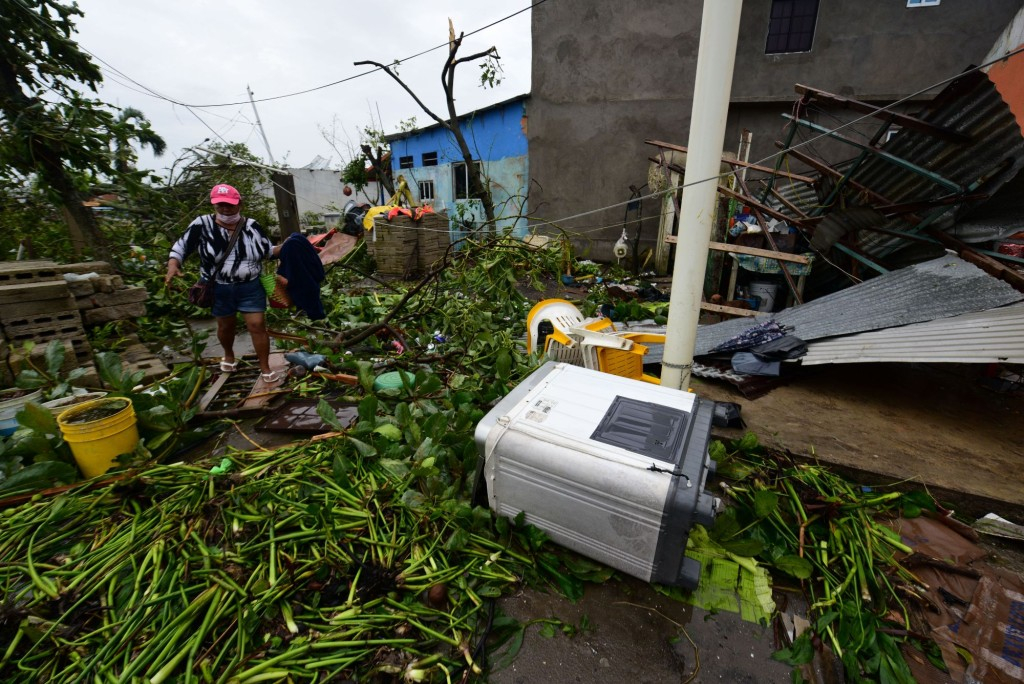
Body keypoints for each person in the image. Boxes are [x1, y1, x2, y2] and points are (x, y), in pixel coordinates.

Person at [165, 183, 282, 382]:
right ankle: (229, 354)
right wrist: (173, 265)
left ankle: (264, 367)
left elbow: (267, 251)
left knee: (257, 325)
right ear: (214, 205)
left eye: (230, 205)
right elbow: (181, 247)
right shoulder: (202, 225)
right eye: (220, 205)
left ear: (240, 204)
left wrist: (296, 244)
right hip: (219, 286)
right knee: (226, 326)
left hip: (250, 285)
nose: (225, 209)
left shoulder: (252, 226)